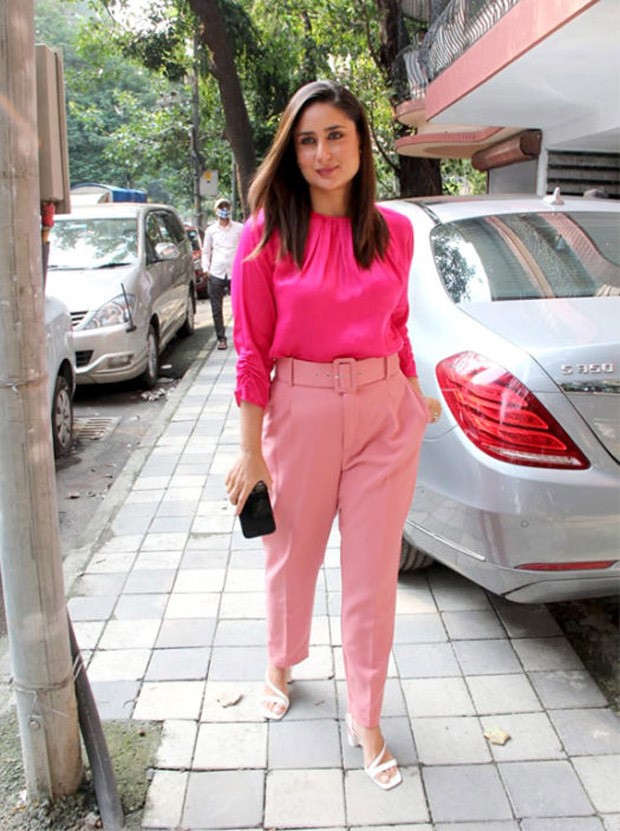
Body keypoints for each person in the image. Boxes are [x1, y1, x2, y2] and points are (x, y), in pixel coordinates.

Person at [225, 80, 442, 790]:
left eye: (336, 136)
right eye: (308, 139)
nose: (323, 152)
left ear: (360, 142)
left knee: (373, 574)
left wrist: (412, 391)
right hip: (302, 408)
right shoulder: (264, 233)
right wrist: (251, 450)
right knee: (293, 554)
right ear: (293, 149)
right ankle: (282, 659)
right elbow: (253, 350)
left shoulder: (396, 231)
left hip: (384, 413)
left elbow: (398, 324)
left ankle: (367, 715)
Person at [201, 197, 243, 349]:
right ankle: (221, 338)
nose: (224, 210)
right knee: (216, 308)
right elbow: (206, 252)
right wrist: (206, 269)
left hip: (235, 273)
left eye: (226, 207)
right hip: (216, 273)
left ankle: (241, 336)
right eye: (221, 207)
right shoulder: (211, 231)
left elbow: (246, 248)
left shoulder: (239, 228)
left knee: (238, 306)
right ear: (216, 211)